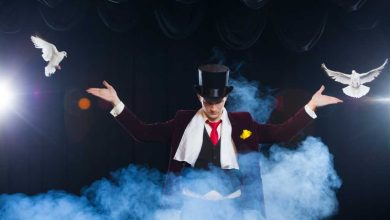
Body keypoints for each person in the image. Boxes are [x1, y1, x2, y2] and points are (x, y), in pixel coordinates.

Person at [86, 64, 342, 219]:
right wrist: (116, 103)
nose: (213, 108)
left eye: (218, 102)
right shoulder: (182, 121)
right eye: (208, 102)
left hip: (233, 208)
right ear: (200, 99)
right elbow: (142, 132)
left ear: (226, 99)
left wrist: (311, 106)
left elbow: (281, 133)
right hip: (190, 208)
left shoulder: (243, 123)